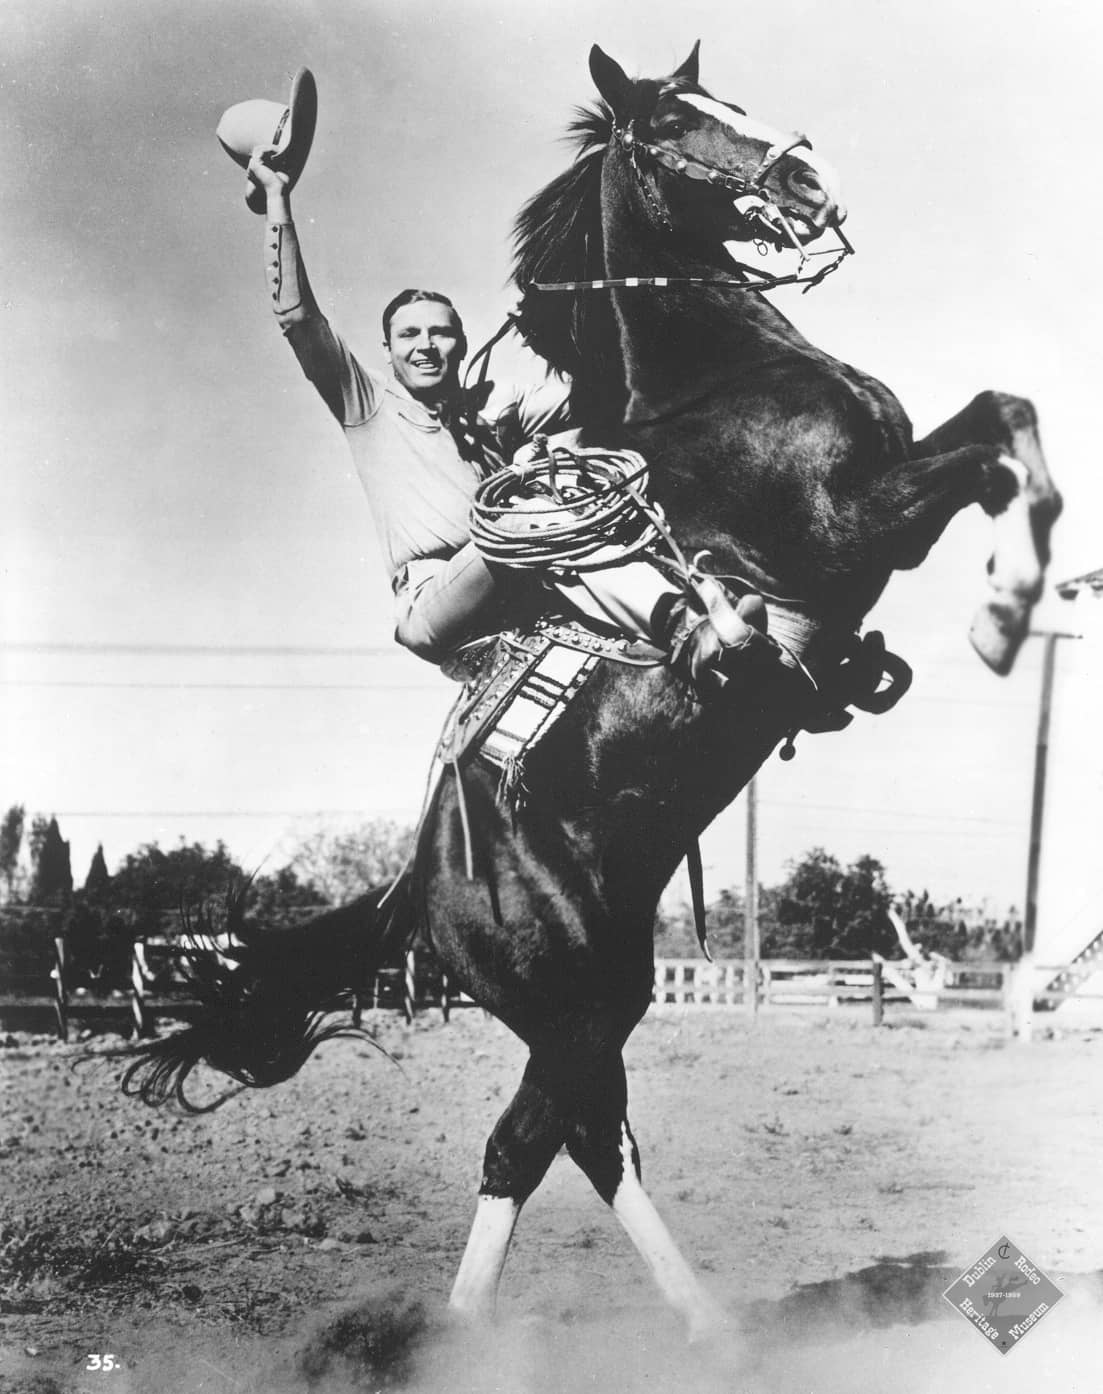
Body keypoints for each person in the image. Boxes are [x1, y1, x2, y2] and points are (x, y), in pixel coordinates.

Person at [243, 144, 773, 690]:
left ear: (461, 343)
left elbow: (609, 394)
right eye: (409, 335)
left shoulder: (498, 407)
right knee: (526, 516)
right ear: (387, 350)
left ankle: (778, 647)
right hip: (436, 602)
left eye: (439, 332)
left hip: (525, 584)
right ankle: (685, 628)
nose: (425, 346)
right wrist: (279, 198)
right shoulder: (369, 406)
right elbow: (297, 317)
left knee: (599, 479)